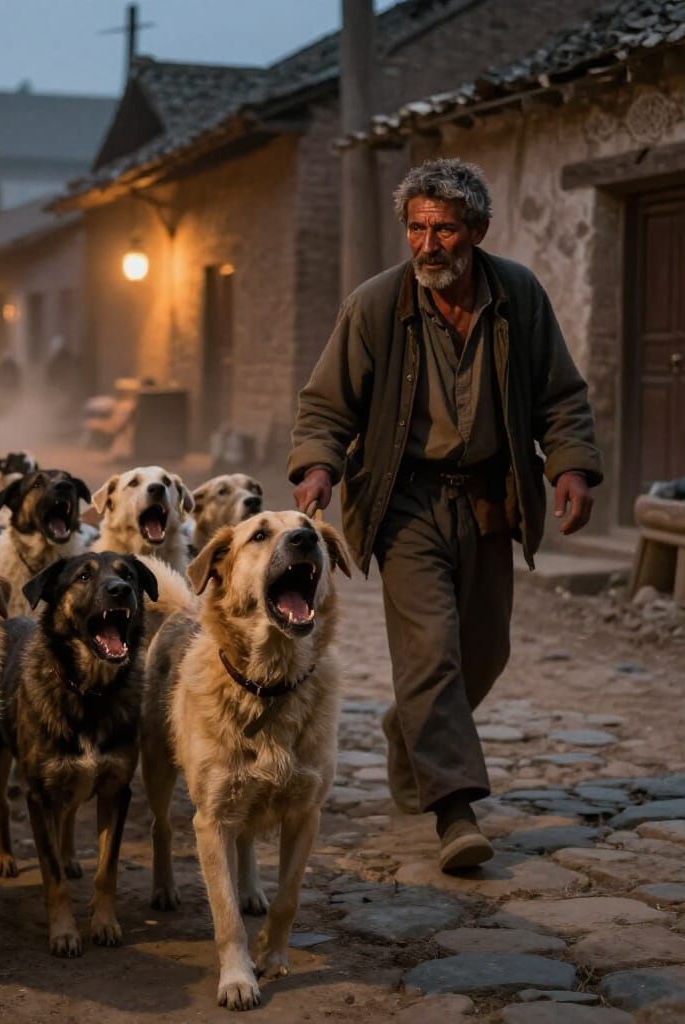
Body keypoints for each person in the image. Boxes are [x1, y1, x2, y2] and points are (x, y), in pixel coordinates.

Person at [288, 159, 602, 872]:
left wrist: (571, 467)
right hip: (406, 498)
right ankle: (455, 809)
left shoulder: (517, 295)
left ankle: (411, 728)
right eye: (417, 229)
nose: (429, 245)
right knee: (431, 651)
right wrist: (318, 467)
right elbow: (327, 402)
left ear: (478, 231)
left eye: (445, 229)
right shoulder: (375, 304)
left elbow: (560, 395)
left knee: (484, 653)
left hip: (491, 498)